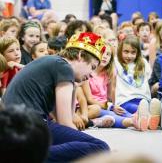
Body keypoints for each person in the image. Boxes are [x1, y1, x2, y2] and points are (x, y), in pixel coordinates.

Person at [2, 32, 110, 162]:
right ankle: (26, 157)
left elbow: (60, 119)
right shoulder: (64, 67)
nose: (91, 74)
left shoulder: (54, 63)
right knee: (100, 147)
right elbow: (65, 122)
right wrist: (83, 140)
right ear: (81, 56)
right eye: (92, 67)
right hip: (28, 125)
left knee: (77, 147)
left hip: (13, 128)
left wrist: (74, 86)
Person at [114, 35, 161, 131]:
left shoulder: (143, 62)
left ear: (138, 53)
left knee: (147, 107)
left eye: (133, 52)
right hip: (126, 100)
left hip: (144, 99)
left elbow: (149, 78)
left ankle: (149, 120)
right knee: (138, 109)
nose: (129, 55)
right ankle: (152, 119)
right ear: (120, 51)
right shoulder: (116, 62)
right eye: (126, 52)